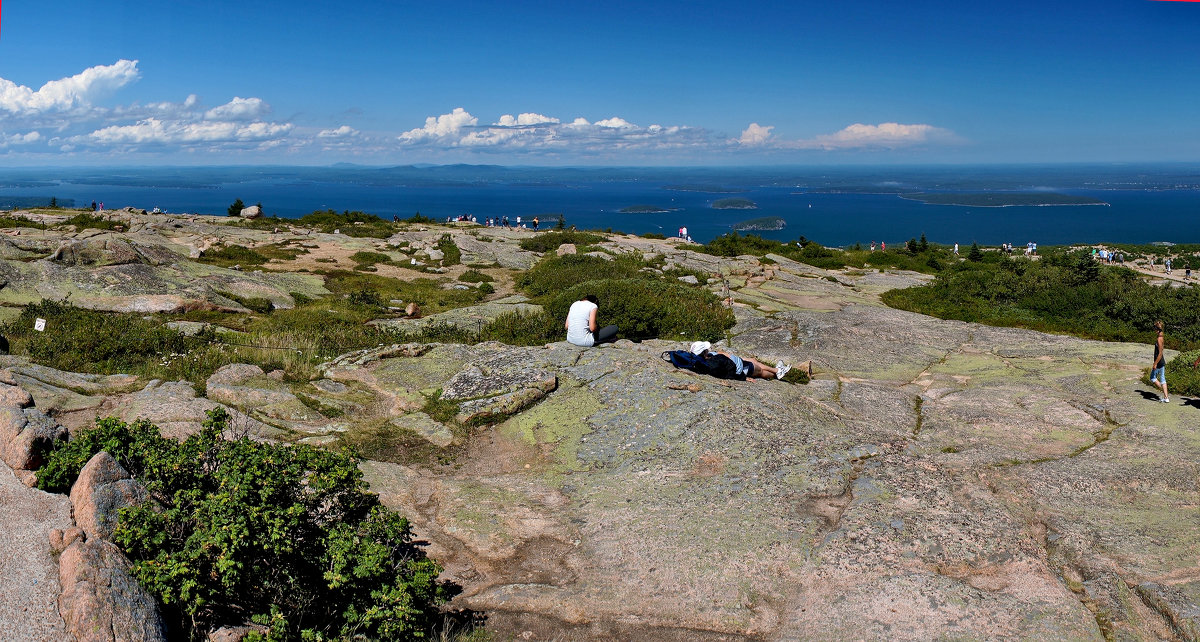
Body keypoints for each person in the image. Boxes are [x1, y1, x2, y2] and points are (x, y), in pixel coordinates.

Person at [690, 341, 790, 380]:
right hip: (741, 368)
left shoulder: (709, 357)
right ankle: (777, 374)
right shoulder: (713, 364)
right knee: (760, 371)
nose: (708, 350)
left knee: (753, 360)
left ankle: (777, 369)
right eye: (706, 349)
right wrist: (744, 378)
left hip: (739, 361)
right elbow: (726, 373)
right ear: (704, 352)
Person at [1150, 320, 1169, 403]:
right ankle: (1166, 397)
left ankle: (1164, 392)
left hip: (1159, 361)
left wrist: (1155, 363)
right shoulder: (1162, 337)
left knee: (1152, 378)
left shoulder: (1159, 339)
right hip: (1162, 361)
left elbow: (1160, 353)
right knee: (1162, 378)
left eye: (1155, 328)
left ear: (1157, 329)